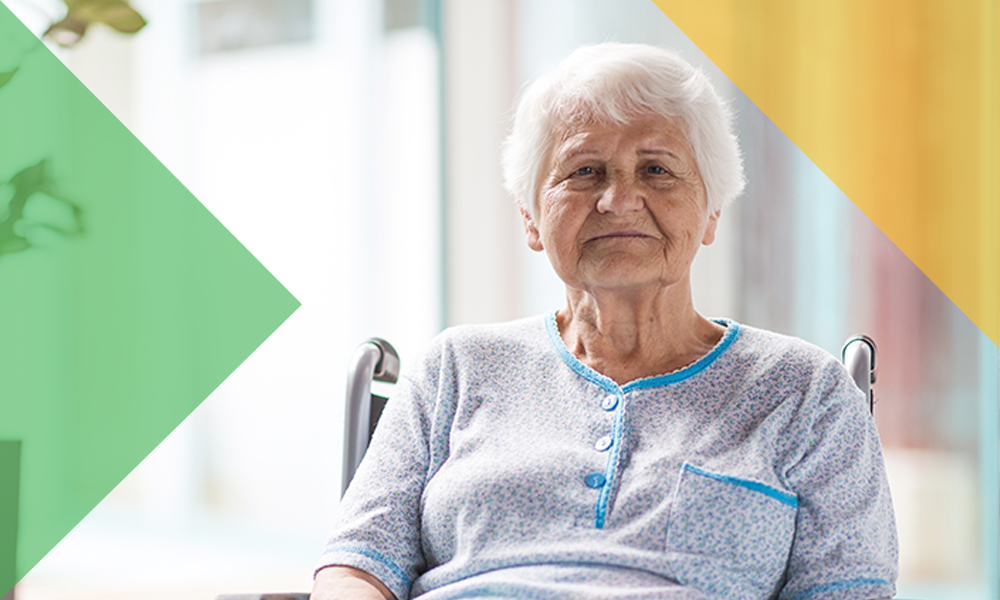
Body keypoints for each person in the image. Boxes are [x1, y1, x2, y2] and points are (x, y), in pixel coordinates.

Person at [311, 43, 898, 600]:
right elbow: (358, 565)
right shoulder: (454, 369)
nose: (619, 200)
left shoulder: (803, 390)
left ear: (711, 212)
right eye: (585, 171)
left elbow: (849, 589)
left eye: (657, 171)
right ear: (532, 219)